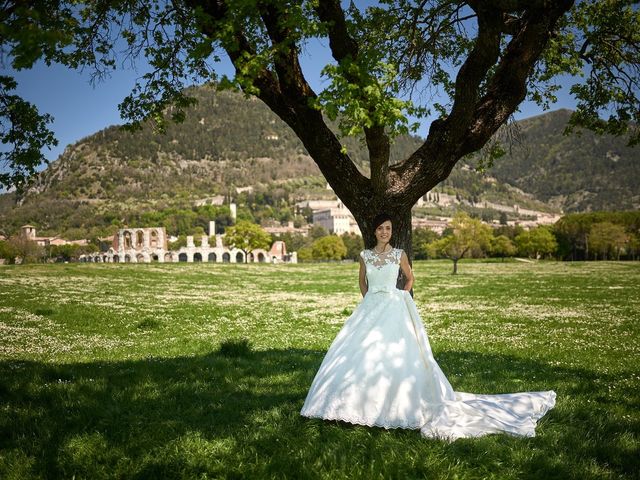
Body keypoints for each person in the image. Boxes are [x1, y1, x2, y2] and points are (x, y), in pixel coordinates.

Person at [300, 213, 556, 440]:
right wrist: (368, 300)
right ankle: (347, 407)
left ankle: (394, 406)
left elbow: (410, 278)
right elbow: (362, 283)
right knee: (359, 354)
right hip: (369, 309)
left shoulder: (399, 254)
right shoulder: (364, 256)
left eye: (388, 228)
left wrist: (401, 295)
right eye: (380, 229)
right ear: (374, 231)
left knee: (393, 354)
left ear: (391, 231)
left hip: (393, 305)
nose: (384, 232)